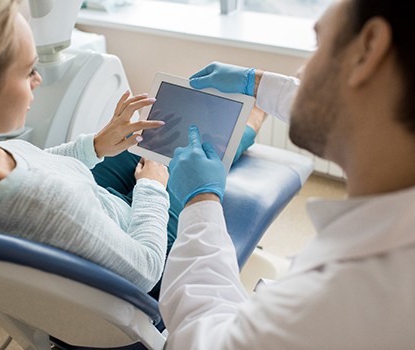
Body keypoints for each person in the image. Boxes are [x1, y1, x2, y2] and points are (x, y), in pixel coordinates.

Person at [160, 0, 415, 348]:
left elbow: (203, 340)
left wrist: (199, 201)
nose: (302, 71)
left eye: (318, 46)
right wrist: (257, 84)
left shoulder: (339, 298)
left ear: (368, 48)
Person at [0, 0, 177, 295]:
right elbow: (146, 270)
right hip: (144, 248)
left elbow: (32, 165)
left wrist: (94, 146)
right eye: (29, 71)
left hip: (99, 212)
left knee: (142, 144)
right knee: (188, 162)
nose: (38, 79)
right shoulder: (49, 205)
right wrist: (152, 189)